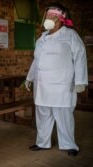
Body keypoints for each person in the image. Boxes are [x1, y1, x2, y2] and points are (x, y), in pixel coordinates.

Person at [25, 3, 88, 156]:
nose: (48, 18)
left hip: (61, 86)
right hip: (42, 86)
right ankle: (42, 142)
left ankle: (69, 144)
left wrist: (80, 81)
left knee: (64, 116)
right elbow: (37, 60)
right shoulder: (41, 39)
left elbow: (80, 57)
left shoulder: (70, 35)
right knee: (43, 115)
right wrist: (30, 77)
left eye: (52, 16)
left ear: (60, 19)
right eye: (47, 16)